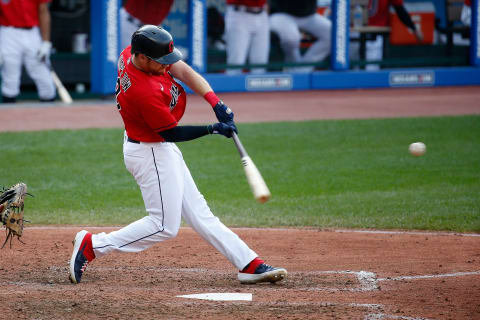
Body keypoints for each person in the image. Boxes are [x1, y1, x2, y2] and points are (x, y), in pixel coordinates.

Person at [69, 25, 287, 285]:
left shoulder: (136, 53)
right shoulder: (143, 92)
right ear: (142, 58)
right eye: (161, 63)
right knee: (163, 225)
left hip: (156, 147)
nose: (166, 66)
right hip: (150, 152)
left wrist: (215, 102)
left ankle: (248, 263)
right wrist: (211, 129)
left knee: (200, 214)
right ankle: (92, 245)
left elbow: (182, 70)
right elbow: (171, 133)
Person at [0, 0, 56, 103]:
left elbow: (43, 11)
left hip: (32, 33)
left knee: (44, 78)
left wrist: (46, 42)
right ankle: (10, 116)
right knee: (10, 78)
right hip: (8, 33)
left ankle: (49, 116)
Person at [269, 0, 331, 73]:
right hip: (281, 14)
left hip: (308, 15)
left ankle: (303, 70)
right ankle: (292, 68)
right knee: (291, 38)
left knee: (332, 33)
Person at [364, 0, 423, 70]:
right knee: (371, 71)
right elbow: (400, 10)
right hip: (369, 37)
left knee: (359, 70)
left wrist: (414, 29)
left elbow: (400, 9)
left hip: (368, 36)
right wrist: (414, 29)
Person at [224, 0, 270, 74]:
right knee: (236, 62)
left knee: (260, 64)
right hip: (239, 13)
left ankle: (260, 86)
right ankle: (233, 85)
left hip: (261, 14)